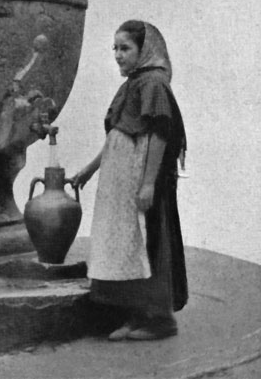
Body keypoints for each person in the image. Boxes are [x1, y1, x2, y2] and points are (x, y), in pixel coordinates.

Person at [72, 20, 188, 341]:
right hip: (122, 182)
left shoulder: (152, 83)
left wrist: (148, 183)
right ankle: (136, 316)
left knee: (148, 244)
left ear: (144, 50)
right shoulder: (133, 83)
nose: (118, 55)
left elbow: (160, 133)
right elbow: (119, 134)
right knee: (128, 248)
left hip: (142, 181)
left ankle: (158, 320)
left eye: (125, 48)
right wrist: (91, 168)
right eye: (115, 48)